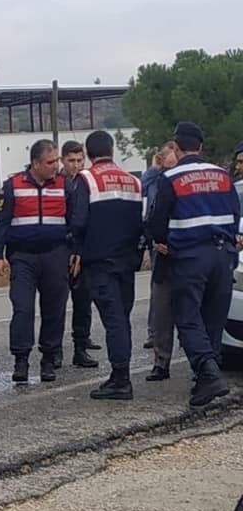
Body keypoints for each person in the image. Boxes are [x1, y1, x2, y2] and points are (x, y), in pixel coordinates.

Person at [148, 122, 241, 407]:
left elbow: (156, 220)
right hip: (222, 254)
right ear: (201, 147)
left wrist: (162, 241)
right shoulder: (222, 176)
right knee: (213, 317)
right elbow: (235, 214)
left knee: (188, 317)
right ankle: (205, 378)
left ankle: (208, 373)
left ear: (176, 147)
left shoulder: (171, 177)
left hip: (189, 256)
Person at [69, 130, 143, 400]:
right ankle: (119, 374)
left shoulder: (86, 179)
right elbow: (140, 222)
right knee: (122, 318)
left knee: (114, 322)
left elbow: (78, 221)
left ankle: (121, 379)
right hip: (127, 262)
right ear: (112, 150)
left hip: (101, 263)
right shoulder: (134, 181)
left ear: (88, 154)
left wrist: (76, 249)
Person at [0, 139, 71, 384]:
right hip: (23, 257)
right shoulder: (12, 185)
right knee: (23, 309)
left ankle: (49, 360)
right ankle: (21, 361)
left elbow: (76, 221)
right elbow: (1, 222)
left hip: (55, 255)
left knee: (54, 310)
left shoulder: (64, 185)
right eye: (50, 162)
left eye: (56, 160)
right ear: (35, 163)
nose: (55, 166)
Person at [58, 140, 100, 369]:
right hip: (60, 247)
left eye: (79, 160)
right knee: (56, 303)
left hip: (82, 249)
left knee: (83, 301)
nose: (75, 165)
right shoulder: (56, 183)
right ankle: (54, 350)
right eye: (71, 160)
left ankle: (81, 346)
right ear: (63, 160)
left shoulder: (87, 182)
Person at [143, 142, 178, 380]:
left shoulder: (182, 179)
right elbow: (146, 196)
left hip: (183, 247)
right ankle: (159, 352)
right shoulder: (157, 179)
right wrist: (154, 169)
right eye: (165, 155)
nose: (167, 158)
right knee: (160, 300)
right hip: (161, 247)